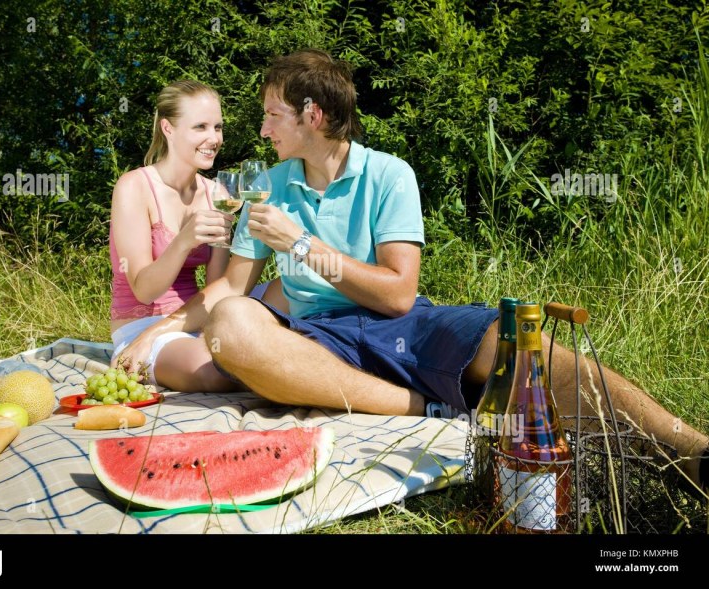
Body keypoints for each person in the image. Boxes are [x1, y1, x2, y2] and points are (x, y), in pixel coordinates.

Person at [114, 52, 708, 491]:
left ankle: (690, 452)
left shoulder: (389, 175)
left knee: (516, 341)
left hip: (397, 324)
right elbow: (229, 288)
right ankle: (426, 407)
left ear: (312, 115)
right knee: (233, 325)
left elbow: (398, 295)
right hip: (316, 340)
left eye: (272, 116)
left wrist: (300, 245)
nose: (262, 130)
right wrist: (157, 331)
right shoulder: (268, 185)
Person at [109, 80, 286, 392]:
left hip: (197, 322)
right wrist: (183, 241)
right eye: (200, 127)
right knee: (215, 372)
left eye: (217, 127)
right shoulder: (134, 187)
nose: (213, 138)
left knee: (290, 290)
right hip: (144, 327)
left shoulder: (216, 193)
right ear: (168, 128)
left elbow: (220, 288)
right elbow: (143, 291)